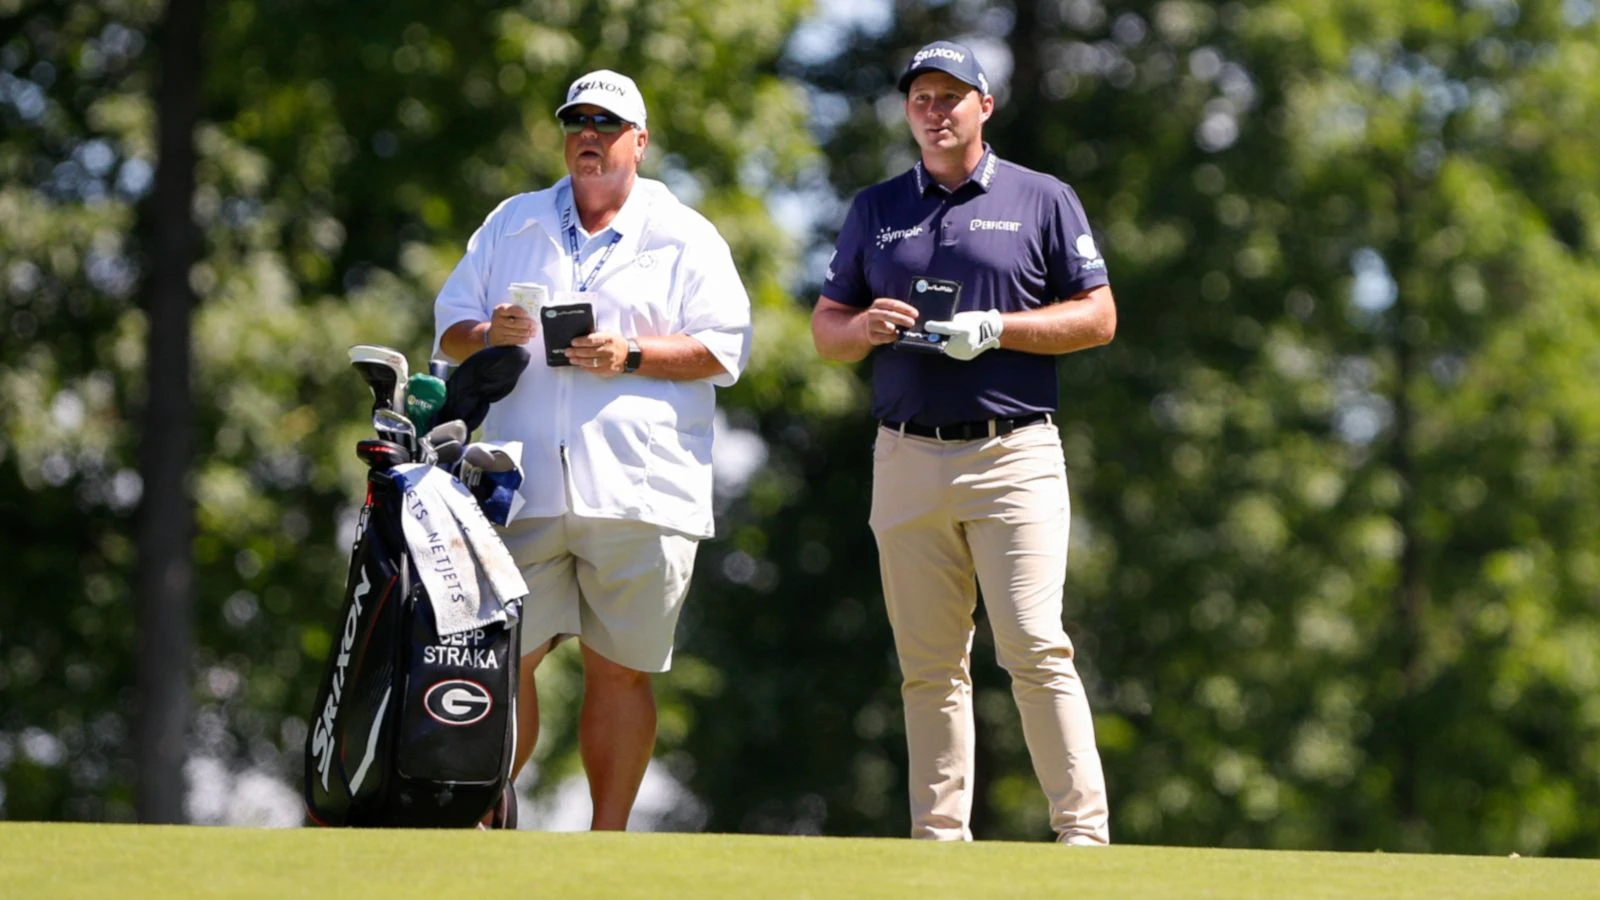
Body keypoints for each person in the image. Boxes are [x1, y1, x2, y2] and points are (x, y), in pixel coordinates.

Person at [810, 40, 1116, 844]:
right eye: (921, 99)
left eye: (952, 97)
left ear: (986, 106)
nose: (935, 111)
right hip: (905, 455)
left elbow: (1098, 316)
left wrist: (1002, 329)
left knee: (1033, 644)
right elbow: (826, 329)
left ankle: (1083, 837)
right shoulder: (877, 207)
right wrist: (863, 326)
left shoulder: (1042, 197)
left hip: (1012, 453)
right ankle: (938, 843)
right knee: (928, 666)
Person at [432, 69, 753, 830]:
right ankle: (481, 823)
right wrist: (491, 335)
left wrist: (631, 355)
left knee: (620, 673)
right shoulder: (512, 221)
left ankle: (602, 849)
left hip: (641, 490)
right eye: (578, 122)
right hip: (521, 483)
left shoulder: (686, 233)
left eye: (607, 126)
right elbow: (450, 327)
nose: (590, 137)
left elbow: (725, 348)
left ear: (639, 143)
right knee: (500, 664)